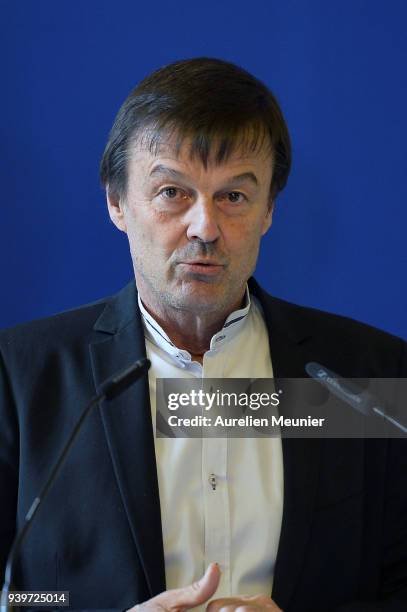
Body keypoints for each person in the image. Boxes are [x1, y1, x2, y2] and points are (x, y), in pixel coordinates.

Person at [0, 57, 406, 612]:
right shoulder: (21, 376)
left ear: (269, 211)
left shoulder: (367, 374)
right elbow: (20, 596)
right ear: (117, 203)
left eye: (234, 197)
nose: (206, 228)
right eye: (172, 192)